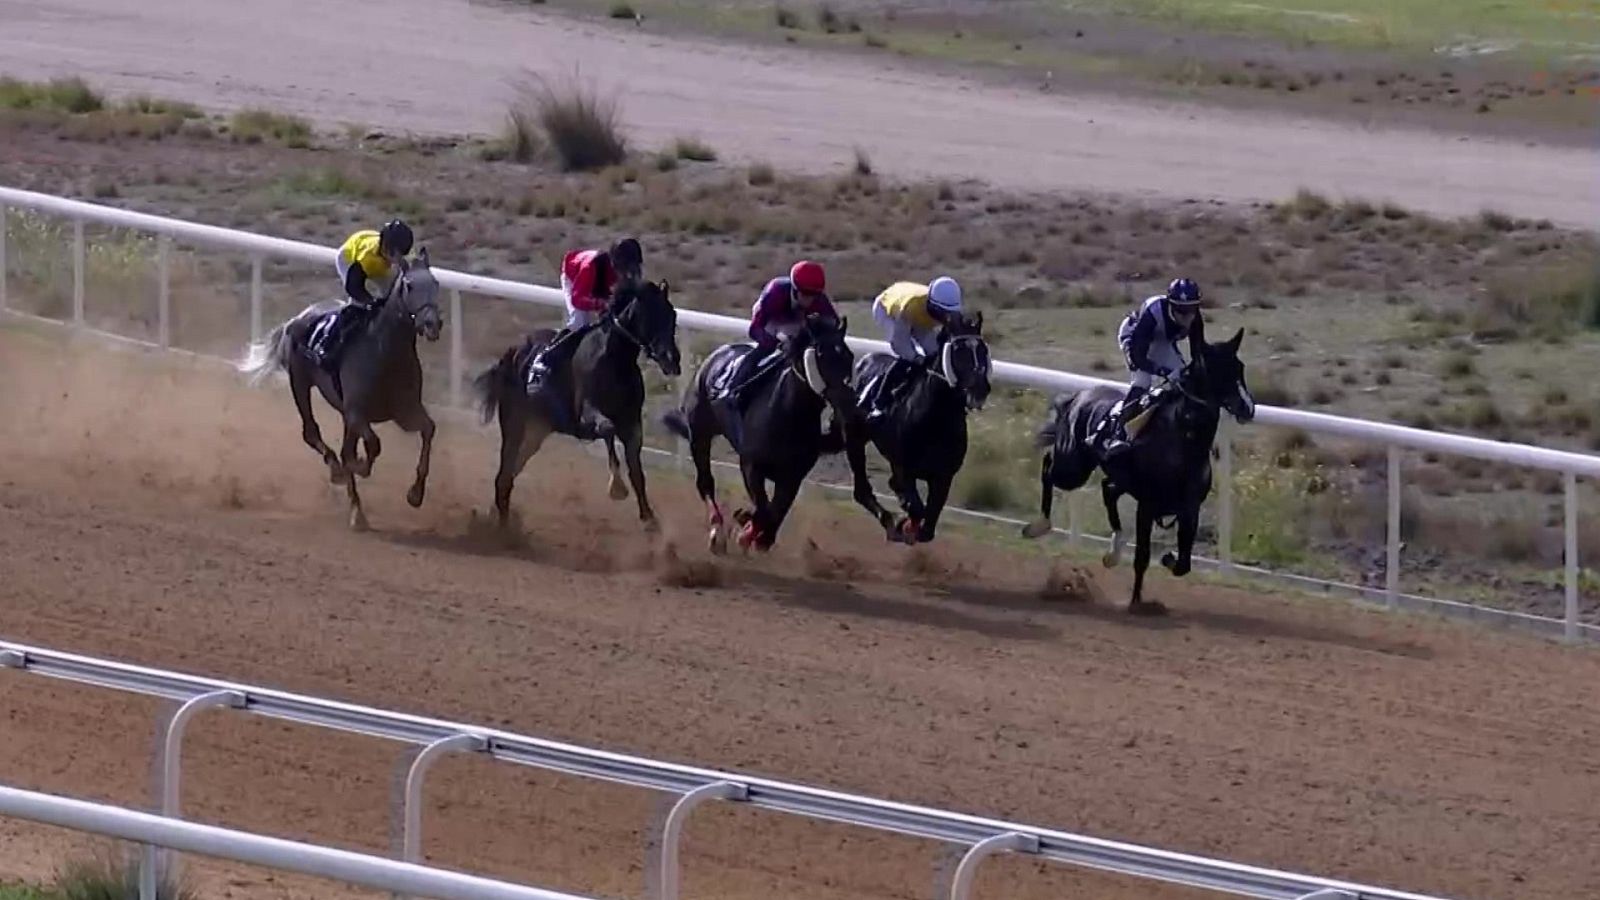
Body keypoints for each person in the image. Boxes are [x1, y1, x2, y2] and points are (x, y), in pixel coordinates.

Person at [1100, 277, 1205, 457]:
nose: (1187, 317)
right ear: (1171, 304)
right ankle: (1118, 433)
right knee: (1143, 380)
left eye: (1192, 310)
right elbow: (1138, 355)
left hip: (1162, 340)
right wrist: (1161, 371)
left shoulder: (1195, 318)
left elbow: (1198, 352)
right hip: (1135, 337)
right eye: (1181, 311)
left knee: (1183, 381)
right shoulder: (1153, 313)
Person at [716, 260, 837, 414]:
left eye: (814, 296)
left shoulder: (819, 300)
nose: (809, 300)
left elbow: (834, 326)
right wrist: (775, 342)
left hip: (799, 322)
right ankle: (732, 389)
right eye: (805, 295)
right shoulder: (775, 292)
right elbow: (755, 329)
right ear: (794, 289)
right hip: (772, 319)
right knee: (762, 351)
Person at [526, 237, 644, 390]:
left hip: (598, 282)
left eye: (632, 269)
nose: (628, 275)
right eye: (626, 269)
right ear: (617, 265)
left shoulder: (622, 271)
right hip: (574, 279)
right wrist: (600, 304)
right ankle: (544, 359)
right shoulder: (590, 268)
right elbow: (577, 299)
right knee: (579, 322)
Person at [309, 219, 414, 370]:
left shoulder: (400, 253)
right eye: (396, 254)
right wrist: (369, 302)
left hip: (377, 261)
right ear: (387, 248)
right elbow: (354, 287)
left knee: (390, 299)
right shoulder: (368, 259)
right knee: (356, 305)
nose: (399, 259)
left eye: (402, 254)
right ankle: (326, 344)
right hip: (349, 259)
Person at [864, 276, 963, 419]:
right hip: (887, 309)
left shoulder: (948, 307)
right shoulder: (911, 307)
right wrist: (916, 358)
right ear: (932, 305)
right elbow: (899, 343)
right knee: (907, 358)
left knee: (934, 355)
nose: (946, 317)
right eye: (942, 312)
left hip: (919, 314)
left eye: (949, 313)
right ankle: (879, 402)